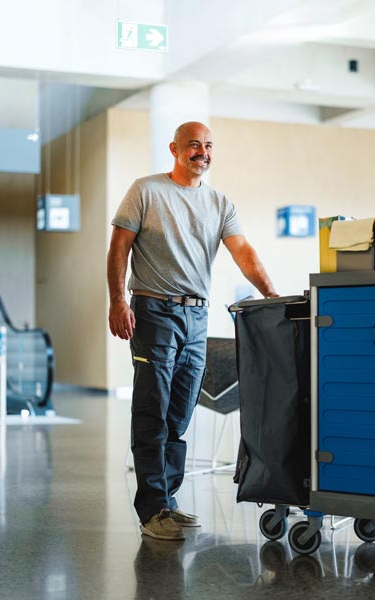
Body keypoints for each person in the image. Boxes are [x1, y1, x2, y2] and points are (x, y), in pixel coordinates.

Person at [107, 121, 278, 541]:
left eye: (207, 146)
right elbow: (118, 248)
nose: (201, 152)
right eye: (193, 145)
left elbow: (244, 252)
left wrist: (271, 294)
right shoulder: (146, 190)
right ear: (175, 149)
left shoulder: (220, 203)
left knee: (179, 413)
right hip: (154, 311)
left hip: (196, 316)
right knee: (153, 408)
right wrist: (117, 300)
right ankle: (151, 511)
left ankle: (168, 500)